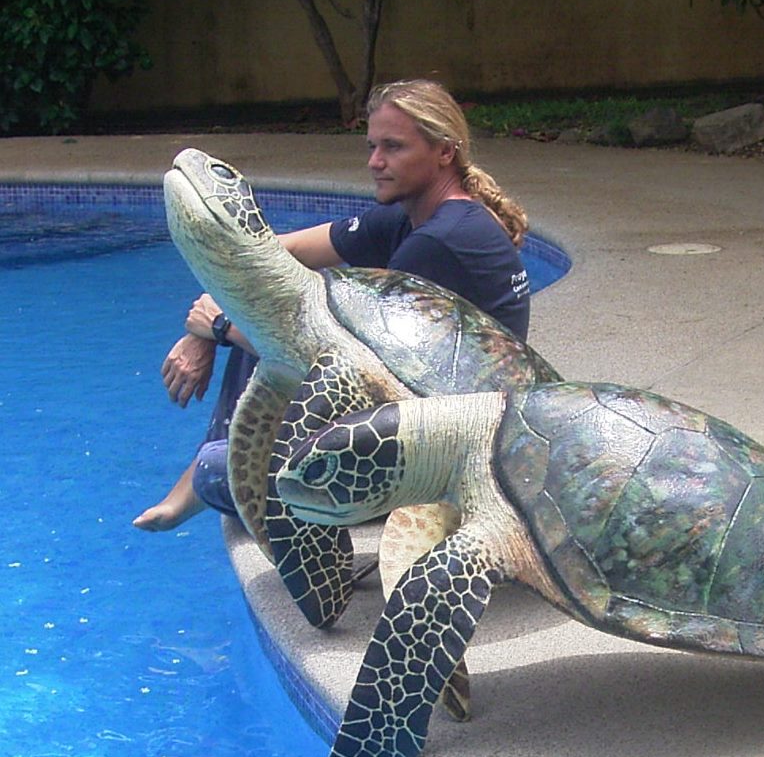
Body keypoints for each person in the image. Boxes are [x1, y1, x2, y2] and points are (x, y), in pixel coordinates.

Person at [133, 78, 531, 531]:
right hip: (428, 422)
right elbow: (277, 256)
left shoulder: (439, 243)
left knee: (219, 472)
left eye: (393, 148)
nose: (375, 163)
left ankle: (198, 478)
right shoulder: (418, 216)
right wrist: (204, 323)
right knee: (288, 304)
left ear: (445, 152)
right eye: (372, 146)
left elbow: (354, 375)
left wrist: (219, 327)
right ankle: (200, 472)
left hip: (443, 469)